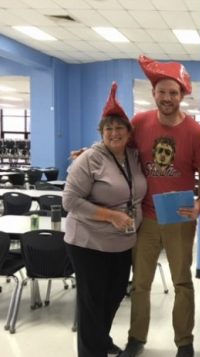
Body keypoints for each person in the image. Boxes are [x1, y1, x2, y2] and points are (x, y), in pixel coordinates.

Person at [121, 55, 200, 357]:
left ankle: (184, 342)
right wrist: (92, 151)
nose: (168, 97)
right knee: (141, 283)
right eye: (162, 91)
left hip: (180, 216)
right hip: (145, 217)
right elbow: (119, 150)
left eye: (174, 92)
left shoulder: (196, 132)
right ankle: (136, 338)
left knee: (182, 283)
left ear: (183, 94)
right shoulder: (139, 123)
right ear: (154, 93)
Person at [63, 82, 147, 357]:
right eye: (108, 128)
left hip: (122, 243)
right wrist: (110, 216)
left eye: (119, 127)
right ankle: (92, 351)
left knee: (112, 298)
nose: (114, 132)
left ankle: (101, 338)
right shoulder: (88, 160)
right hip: (89, 243)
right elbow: (70, 201)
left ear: (128, 132)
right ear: (101, 132)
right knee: (91, 302)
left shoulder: (133, 157)